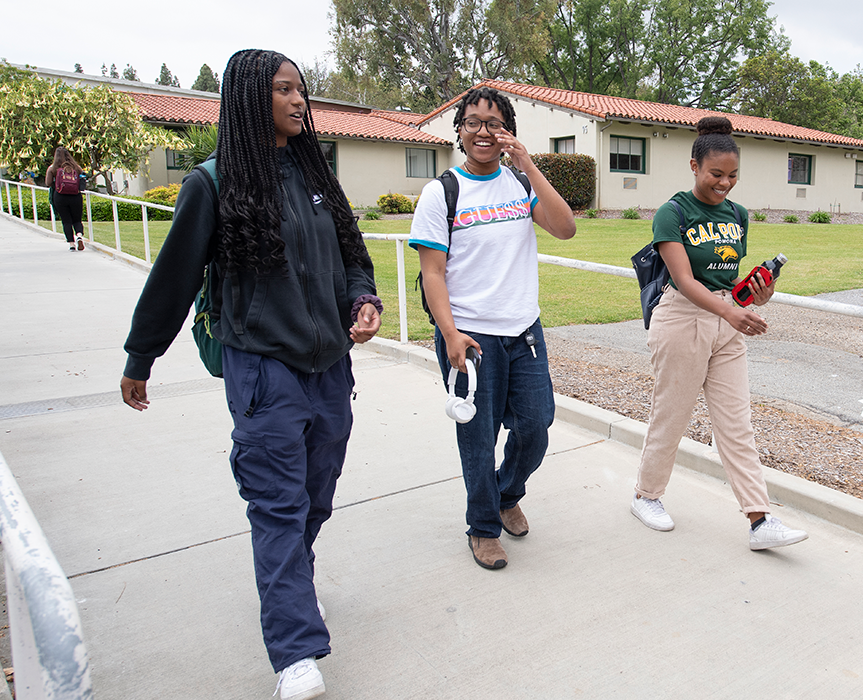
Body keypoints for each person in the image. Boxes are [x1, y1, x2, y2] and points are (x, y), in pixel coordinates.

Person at [120, 49, 382, 700]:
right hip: (262, 368)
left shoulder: (317, 174)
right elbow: (173, 279)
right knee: (278, 504)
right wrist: (140, 357)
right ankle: (294, 653)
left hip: (328, 368)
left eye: (302, 90)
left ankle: (291, 574)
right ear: (247, 99)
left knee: (314, 497)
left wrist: (363, 301)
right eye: (283, 90)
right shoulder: (212, 185)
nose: (299, 101)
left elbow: (353, 257)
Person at [411, 86, 576, 570]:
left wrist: (529, 166)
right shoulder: (441, 192)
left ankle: (506, 493)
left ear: (508, 133)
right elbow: (433, 273)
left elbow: (565, 227)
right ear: (459, 131)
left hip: (524, 330)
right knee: (478, 437)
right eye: (473, 122)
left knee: (536, 425)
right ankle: (483, 527)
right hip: (471, 338)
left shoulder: (520, 185)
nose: (483, 131)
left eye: (494, 123)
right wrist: (449, 333)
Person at [630, 116, 808, 552]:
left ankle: (759, 519)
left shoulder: (737, 215)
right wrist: (729, 312)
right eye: (716, 174)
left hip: (725, 320)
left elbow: (729, 280)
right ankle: (646, 496)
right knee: (671, 415)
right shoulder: (673, 213)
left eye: (732, 176)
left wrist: (760, 293)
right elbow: (685, 279)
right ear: (694, 166)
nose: (724, 184)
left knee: (737, 424)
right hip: (682, 318)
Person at [44, 147, 85, 251]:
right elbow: (82, 179)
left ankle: (71, 244)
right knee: (77, 220)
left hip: (60, 197)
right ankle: (79, 236)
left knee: (66, 221)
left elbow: (48, 183)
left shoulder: (52, 168)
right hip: (75, 196)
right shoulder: (76, 167)